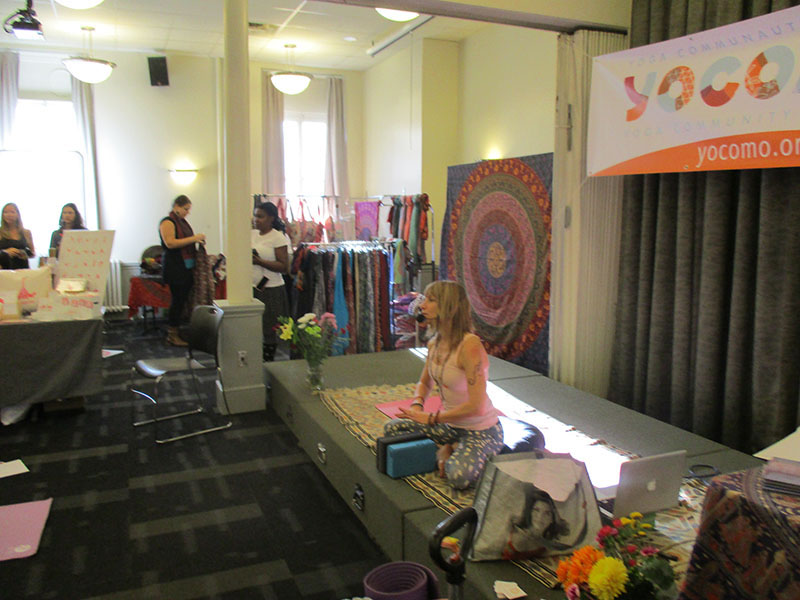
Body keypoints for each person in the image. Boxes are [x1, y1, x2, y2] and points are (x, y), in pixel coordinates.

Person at [383, 280, 504, 489]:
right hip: (449, 424)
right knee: (392, 430)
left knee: (458, 476)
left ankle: (451, 448)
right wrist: (417, 406)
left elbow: (477, 407)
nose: (422, 305)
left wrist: (432, 418)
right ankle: (449, 445)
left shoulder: (470, 345)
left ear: (449, 307)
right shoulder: (435, 342)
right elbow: (425, 382)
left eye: (431, 300)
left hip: (480, 429)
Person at [159, 195, 205, 346]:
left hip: (185, 267)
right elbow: (170, 243)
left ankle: (177, 330)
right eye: (186, 209)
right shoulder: (167, 222)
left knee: (183, 300)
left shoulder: (182, 222)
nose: (187, 212)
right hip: (175, 267)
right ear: (176, 207)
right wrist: (194, 238)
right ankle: (172, 335)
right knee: (177, 301)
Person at [252, 201, 290, 362]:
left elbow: (283, 267)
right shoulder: (252, 234)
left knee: (269, 329)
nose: (256, 219)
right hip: (253, 287)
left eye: (260, 216)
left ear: (271, 218)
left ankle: (268, 362)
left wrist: (259, 261)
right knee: (254, 327)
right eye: (255, 215)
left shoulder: (278, 237)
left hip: (271, 289)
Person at [502, 486, 571, 559]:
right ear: (530, 512)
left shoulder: (546, 542)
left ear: (552, 519)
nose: (540, 517)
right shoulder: (521, 537)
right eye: (536, 510)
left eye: (547, 513)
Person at [0, 203, 35, 270]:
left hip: (23, 269)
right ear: (2, 215)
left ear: (17, 215)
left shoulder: (26, 232)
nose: (9, 215)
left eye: (12, 212)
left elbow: (33, 254)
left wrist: (23, 253)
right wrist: (5, 252)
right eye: (5, 212)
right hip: (4, 270)